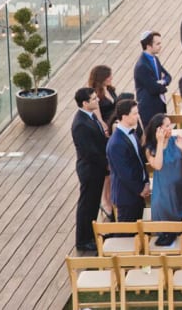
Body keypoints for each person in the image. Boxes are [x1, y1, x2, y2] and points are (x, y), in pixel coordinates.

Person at [144, 114, 182, 246]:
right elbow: (158, 165)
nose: (170, 127)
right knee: (165, 225)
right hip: (163, 192)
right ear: (158, 129)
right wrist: (160, 142)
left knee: (181, 225)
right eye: (167, 126)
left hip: (179, 190)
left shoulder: (178, 140)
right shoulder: (151, 148)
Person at [71, 87, 108, 252]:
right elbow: (89, 151)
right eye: (93, 99)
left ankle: (91, 235)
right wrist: (106, 163)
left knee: (93, 204)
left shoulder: (90, 117)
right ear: (85, 103)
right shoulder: (80, 124)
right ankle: (83, 239)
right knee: (87, 205)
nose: (97, 100)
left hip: (96, 168)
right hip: (90, 170)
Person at [106, 99, 148, 223]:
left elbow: (139, 160)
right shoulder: (116, 143)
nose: (138, 116)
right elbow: (124, 173)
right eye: (135, 114)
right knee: (126, 235)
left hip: (136, 193)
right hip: (126, 196)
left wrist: (145, 182)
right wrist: (140, 189)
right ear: (124, 117)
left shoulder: (131, 133)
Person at [133, 31, 172, 123]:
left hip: (158, 105)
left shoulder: (155, 59)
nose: (160, 46)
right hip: (149, 108)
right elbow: (153, 88)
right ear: (148, 46)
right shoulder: (142, 66)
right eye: (157, 44)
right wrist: (163, 87)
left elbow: (168, 76)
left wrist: (162, 82)